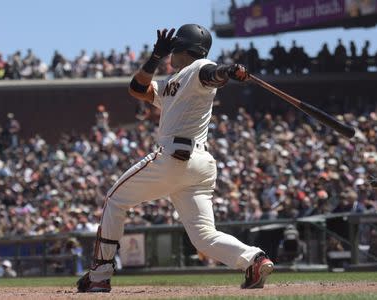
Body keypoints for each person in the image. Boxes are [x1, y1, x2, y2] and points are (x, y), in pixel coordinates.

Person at [77, 24, 274, 293]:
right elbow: (137, 88)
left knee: (114, 199)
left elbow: (211, 74)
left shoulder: (199, 67)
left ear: (185, 49)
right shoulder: (173, 82)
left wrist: (227, 71)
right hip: (199, 165)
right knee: (204, 238)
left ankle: (99, 276)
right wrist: (154, 57)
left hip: (174, 156)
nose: (170, 52)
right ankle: (253, 259)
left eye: (173, 48)